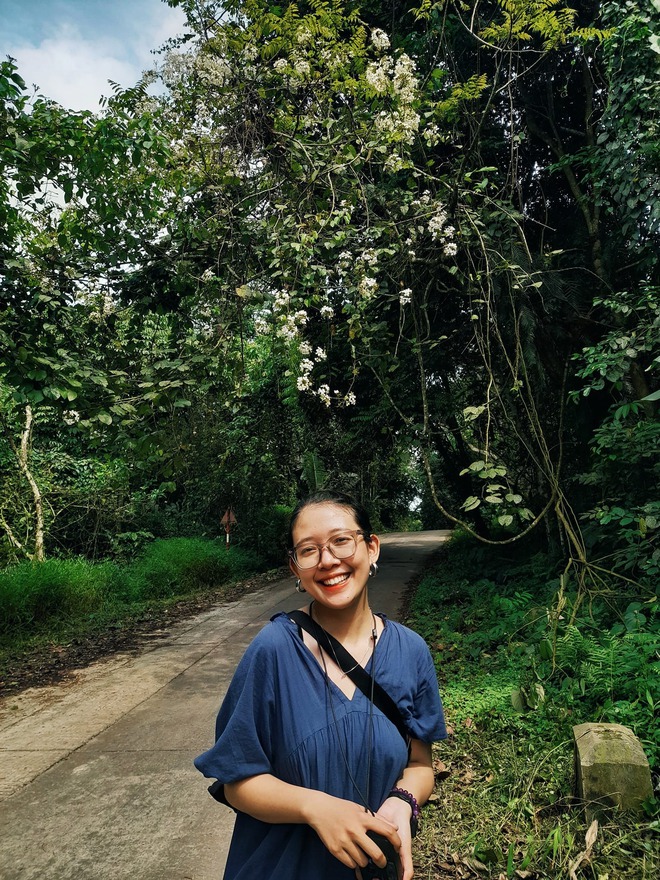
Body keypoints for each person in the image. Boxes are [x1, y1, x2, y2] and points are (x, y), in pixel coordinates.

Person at [194, 490, 447, 880]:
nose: (328, 560)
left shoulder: (410, 651)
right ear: (295, 568)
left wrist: (403, 801)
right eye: (308, 550)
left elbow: (419, 764)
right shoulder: (274, 650)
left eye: (341, 541)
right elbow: (236, 783)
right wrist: (316, 808)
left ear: (371, 547)